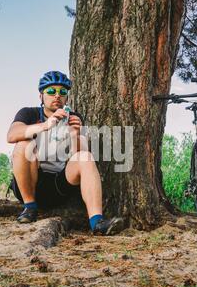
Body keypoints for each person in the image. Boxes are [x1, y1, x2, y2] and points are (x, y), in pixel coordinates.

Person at [7, 71, 123, 235]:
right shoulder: (28, 113)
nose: (57, 96)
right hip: (29, 184)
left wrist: (75, 135)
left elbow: (82, 157)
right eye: (51, 91)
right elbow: (11, 135)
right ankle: (29, 208)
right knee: (24, 144)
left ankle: (97, 222)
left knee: (85, 156)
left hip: (58, 185)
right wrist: (45, 125)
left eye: (62, 92)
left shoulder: (72, 116)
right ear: (41, 96)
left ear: (67, 98)